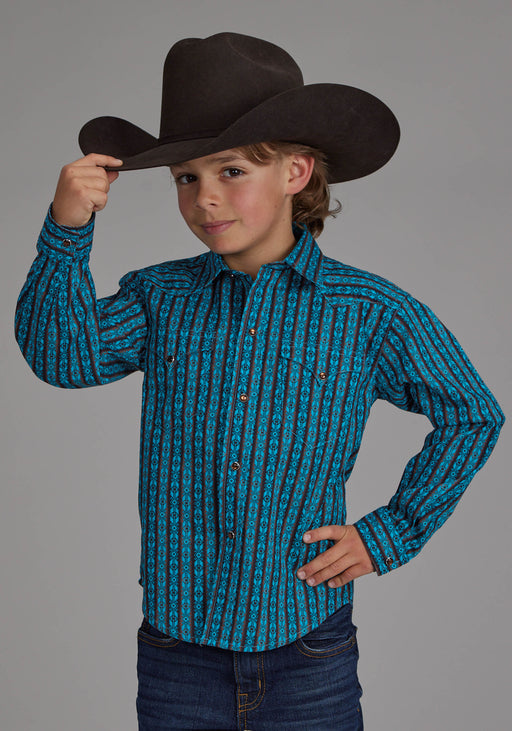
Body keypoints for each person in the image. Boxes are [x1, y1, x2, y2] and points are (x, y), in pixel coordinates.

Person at [15, 32, 504, 731]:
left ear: (296, 172)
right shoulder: (161, 297)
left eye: (232, 171)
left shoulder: (369, 311)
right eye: (186, 178)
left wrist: (390, 533)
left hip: (308, 648)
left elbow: (472, 414)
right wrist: (66, 231)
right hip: (178, 653)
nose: (206, 198)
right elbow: (62, 356)